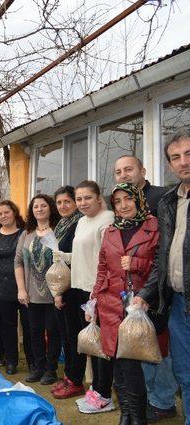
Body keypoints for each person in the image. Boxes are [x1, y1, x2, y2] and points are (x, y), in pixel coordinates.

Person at [114, 156, 178, 422]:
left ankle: (163, 401)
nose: (124, 174)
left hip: (160, 293)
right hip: (131, 295)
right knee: (140, 348)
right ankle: (152, 399)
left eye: (129, 169)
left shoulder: (163, 198)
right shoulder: (119, 213)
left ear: (143, 170)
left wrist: (149, 290)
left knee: (160, 349)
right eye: (118, 171)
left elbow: (165, 252)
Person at [90, 183, 159, 425]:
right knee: (116, 363)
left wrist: (137, 264)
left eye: (128, 199)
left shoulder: (153, 226)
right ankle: (125, 413)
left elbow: (161, 267)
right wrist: (94, 299)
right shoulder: (109, 231)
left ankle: (138, 417)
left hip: (138, 305)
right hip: (110, 304)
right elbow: (102, 268)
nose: (123, 205)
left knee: (130, 365)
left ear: (138, 199)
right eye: (117, 201)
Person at [135, 128, 190, 425]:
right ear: (169, 165)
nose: (183, 162)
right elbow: (163, 257)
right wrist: (146, 294)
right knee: (184, 373)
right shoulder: (169, 202)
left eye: (189, 154)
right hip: (178, 305)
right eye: (176, 157)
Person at [64, 180, 115, 414]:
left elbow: (108, 258)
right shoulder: (82, 221)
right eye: (79, 199)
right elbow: (82, 253)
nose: (82, 203)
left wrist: (97, 291)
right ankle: (95, 389)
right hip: (81, 288)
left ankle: (104, 395)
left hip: (99, 290)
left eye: (87, 198)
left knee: (103, 345)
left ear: (98, 198)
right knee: (92, 342)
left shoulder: (107, 219)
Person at [15, 195, 61, 385]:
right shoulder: (27, 233)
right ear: (31, 211)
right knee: (34, 331)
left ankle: (51, 369)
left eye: (43, 206)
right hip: (31, 293)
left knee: (53, 331)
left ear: (50, 208)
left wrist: (59, 291)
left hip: (54, 293)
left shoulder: (58, 230)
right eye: (36, 206)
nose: (40, 209)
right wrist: (21, 289)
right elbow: (18, 262)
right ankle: (38, 367)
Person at [0, 200, 32, 374]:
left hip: (26, 289)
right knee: (7, 327)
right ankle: (11, 361)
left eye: (7, 212)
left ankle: (32, 362)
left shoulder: (26, 233)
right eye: (0, 213)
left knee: (29, 326)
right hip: (2, 290)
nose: (3, 216)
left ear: (14, 212)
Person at [50, 186, 85, 400]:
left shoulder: (79, 224)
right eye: (59, 202)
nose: (63, 206)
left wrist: (61, 291)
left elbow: (73, 259)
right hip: (61, 289)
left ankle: (76, 380)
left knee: (73, 337)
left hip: (74, 289)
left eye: (67, 202)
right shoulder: (62, 225)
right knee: (66, 336)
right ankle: (69, 376)